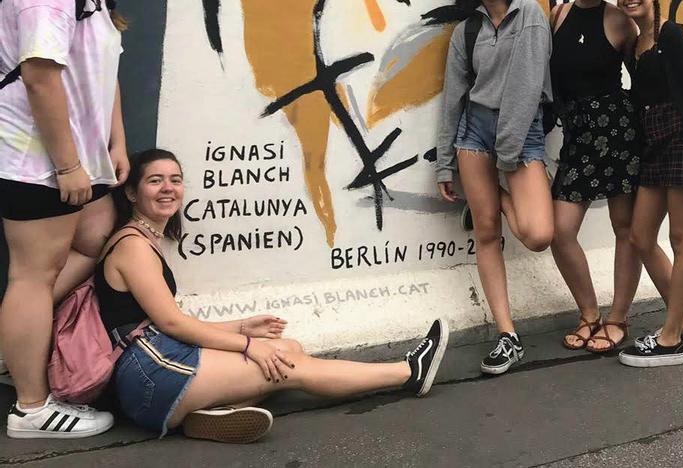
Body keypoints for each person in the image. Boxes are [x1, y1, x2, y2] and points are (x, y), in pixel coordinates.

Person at [95, 149, 448, 443]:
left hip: (156, 363)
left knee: (288, 349)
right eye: (155, 181)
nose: (168, 188)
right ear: (131, 193)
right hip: (149, 375)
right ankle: (408, 372)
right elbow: (171, 322)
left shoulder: (141, 241)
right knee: (289, 367)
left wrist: (243, 326)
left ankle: (202, 414)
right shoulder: (134, 248)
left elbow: (169, 322)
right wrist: (248, 345)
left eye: (175, 179)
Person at [1, 0, 133, 439]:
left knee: (95, 233)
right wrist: (68, 167)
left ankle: (15, 344)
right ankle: (31, 408)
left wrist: (115, 144)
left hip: (79, 158)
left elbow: (105, 76)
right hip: (37, 160)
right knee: (33, 275)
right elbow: (39, 75)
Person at [436, 0, 555, 375]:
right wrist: (444, 162)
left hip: (520, 137)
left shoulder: (532, 18)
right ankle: (508, 335)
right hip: (475, 132)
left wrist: (504, 162)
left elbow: (526, 89)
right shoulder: (466, 30)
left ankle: (494, 199)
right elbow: (453, 98)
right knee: (487, 235)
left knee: (539, 234)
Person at [548, 0, 675, 355]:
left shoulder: (620, 21)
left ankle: (618, 317)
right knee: (560, 231)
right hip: (577, 134)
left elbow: (642, 74)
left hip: (617, 129)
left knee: (626, 231)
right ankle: (589, 314)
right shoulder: (557, 15)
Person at [614, 0, 683, 367]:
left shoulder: (672, 35)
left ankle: (670, 339)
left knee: (681, 241)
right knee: (640, 237)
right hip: (651, 148)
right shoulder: (633, 47)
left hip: (681, 144)